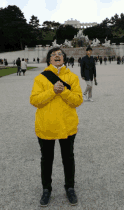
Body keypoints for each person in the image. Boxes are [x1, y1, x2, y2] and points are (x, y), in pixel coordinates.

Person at [30, 47, 83, 207]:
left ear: (64, 58)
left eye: (60, 54)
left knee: (68, 159)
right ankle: (46, 189)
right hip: (47, 125)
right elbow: (34, 100)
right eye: (53, 55)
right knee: (47, 160)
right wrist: (52, 91)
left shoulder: (72, 77)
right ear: (49, 60)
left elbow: (78, 100)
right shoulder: (40, 78)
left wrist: (63, 92)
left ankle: (70, 187)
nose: (57, 56)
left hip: (67, 125)